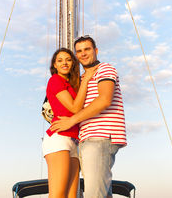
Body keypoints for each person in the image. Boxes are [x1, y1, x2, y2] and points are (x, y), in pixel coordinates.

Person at [50, 36, 127, 198]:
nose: (83, 53)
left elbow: (105, 100)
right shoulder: (83, 78)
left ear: (96, 51)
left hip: (101, 136)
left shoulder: (104, 69)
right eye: (79, 51)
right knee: (100, 192)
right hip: (85, 139)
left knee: (94, 193)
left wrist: (71, 121)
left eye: (87, 49)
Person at [43, 48, 98, 198]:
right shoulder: (55, 80)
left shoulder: (73, 84)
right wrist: (86, 79)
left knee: (72, 195)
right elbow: (74, 108)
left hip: (74, 141)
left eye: (68, 59)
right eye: (60, 60)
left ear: (73, 63)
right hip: (58, 139)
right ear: (54, 65)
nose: (64, 63)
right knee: (58, 195)